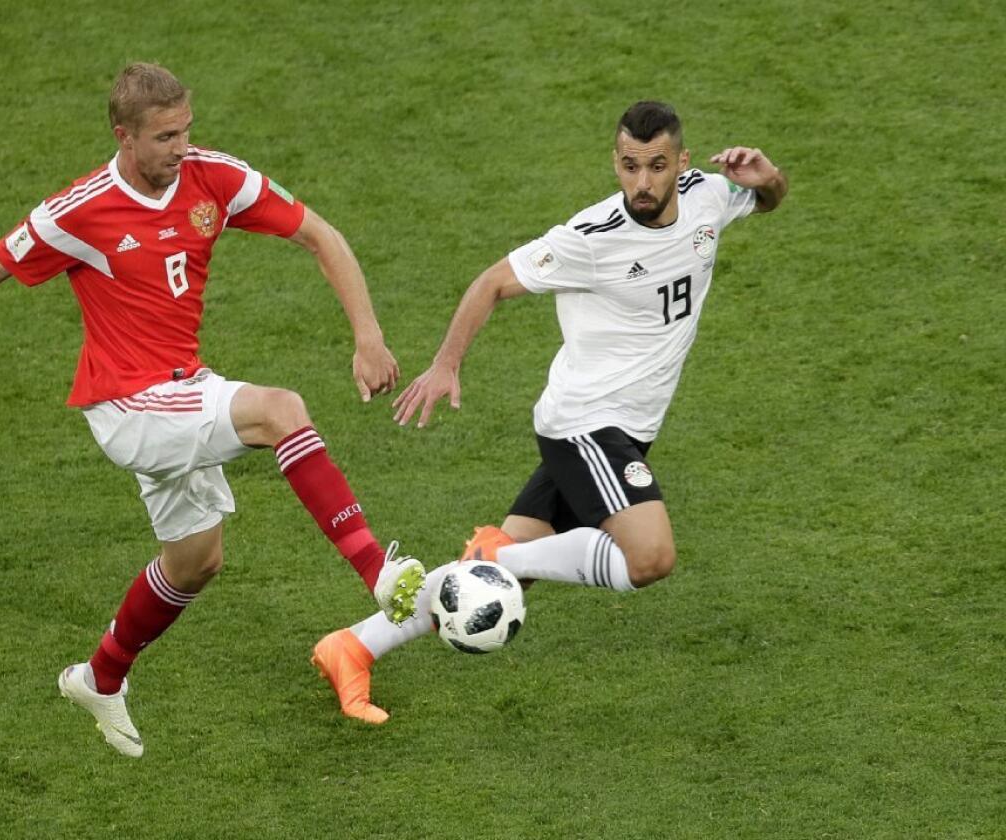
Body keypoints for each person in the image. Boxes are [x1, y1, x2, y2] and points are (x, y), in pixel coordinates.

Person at [0, 62, 427, 757]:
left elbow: (320, 236)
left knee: (195, 562)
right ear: (124, 137)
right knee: (280, 410)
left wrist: (369, 337)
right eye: (163, 137)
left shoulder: (214, 177)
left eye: (186, 130)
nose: (181, 148)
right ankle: (377, 571)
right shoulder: (79, 211)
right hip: (126, 404)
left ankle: (100, 676)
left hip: (179, 391)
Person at [311, 100, 788, 723]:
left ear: (682, 164)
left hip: (627, 429)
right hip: (587, 425)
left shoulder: (706, 197)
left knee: (511, 575)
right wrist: (447, 363)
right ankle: (496, 555)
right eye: (628, 166)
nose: (642, 182)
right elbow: (491, 283)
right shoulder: (590, 239)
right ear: (614, 164)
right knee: (648, 558)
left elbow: (765, 198)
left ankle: (352, 646)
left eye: (656, 166)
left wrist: (769, 178)